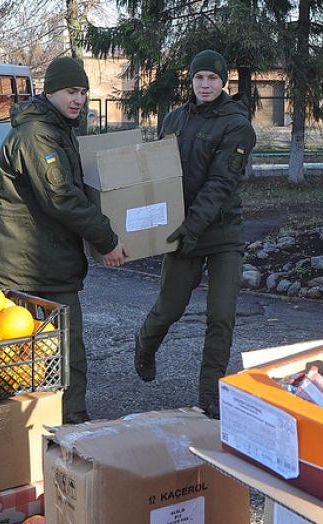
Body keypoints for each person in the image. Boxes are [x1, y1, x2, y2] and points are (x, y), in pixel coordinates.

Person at [0, 56, 128, 425]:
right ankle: (43, 427)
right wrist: (107, 239)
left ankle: (66, 420)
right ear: (50, 92)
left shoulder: (57, 129)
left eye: (82, 92)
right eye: (70, 92)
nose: (78, 99)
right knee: (32, 356)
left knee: (63, 351)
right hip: (24, 272)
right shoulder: (36, 135)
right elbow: (62, 196)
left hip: (47, 264)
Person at [133, 49, 256, 419]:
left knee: (221, 315)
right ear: (192, 80)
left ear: (224, 82)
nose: (205, 84)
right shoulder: (173, 119)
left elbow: (221, 183)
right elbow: (156, 176)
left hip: (222, 233)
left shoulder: (238, 126)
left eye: (213, 79)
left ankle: (210, 393)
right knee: (169, 308)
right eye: (199, 78)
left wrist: (192, 226)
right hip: (181, 231)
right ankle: (145, 346)